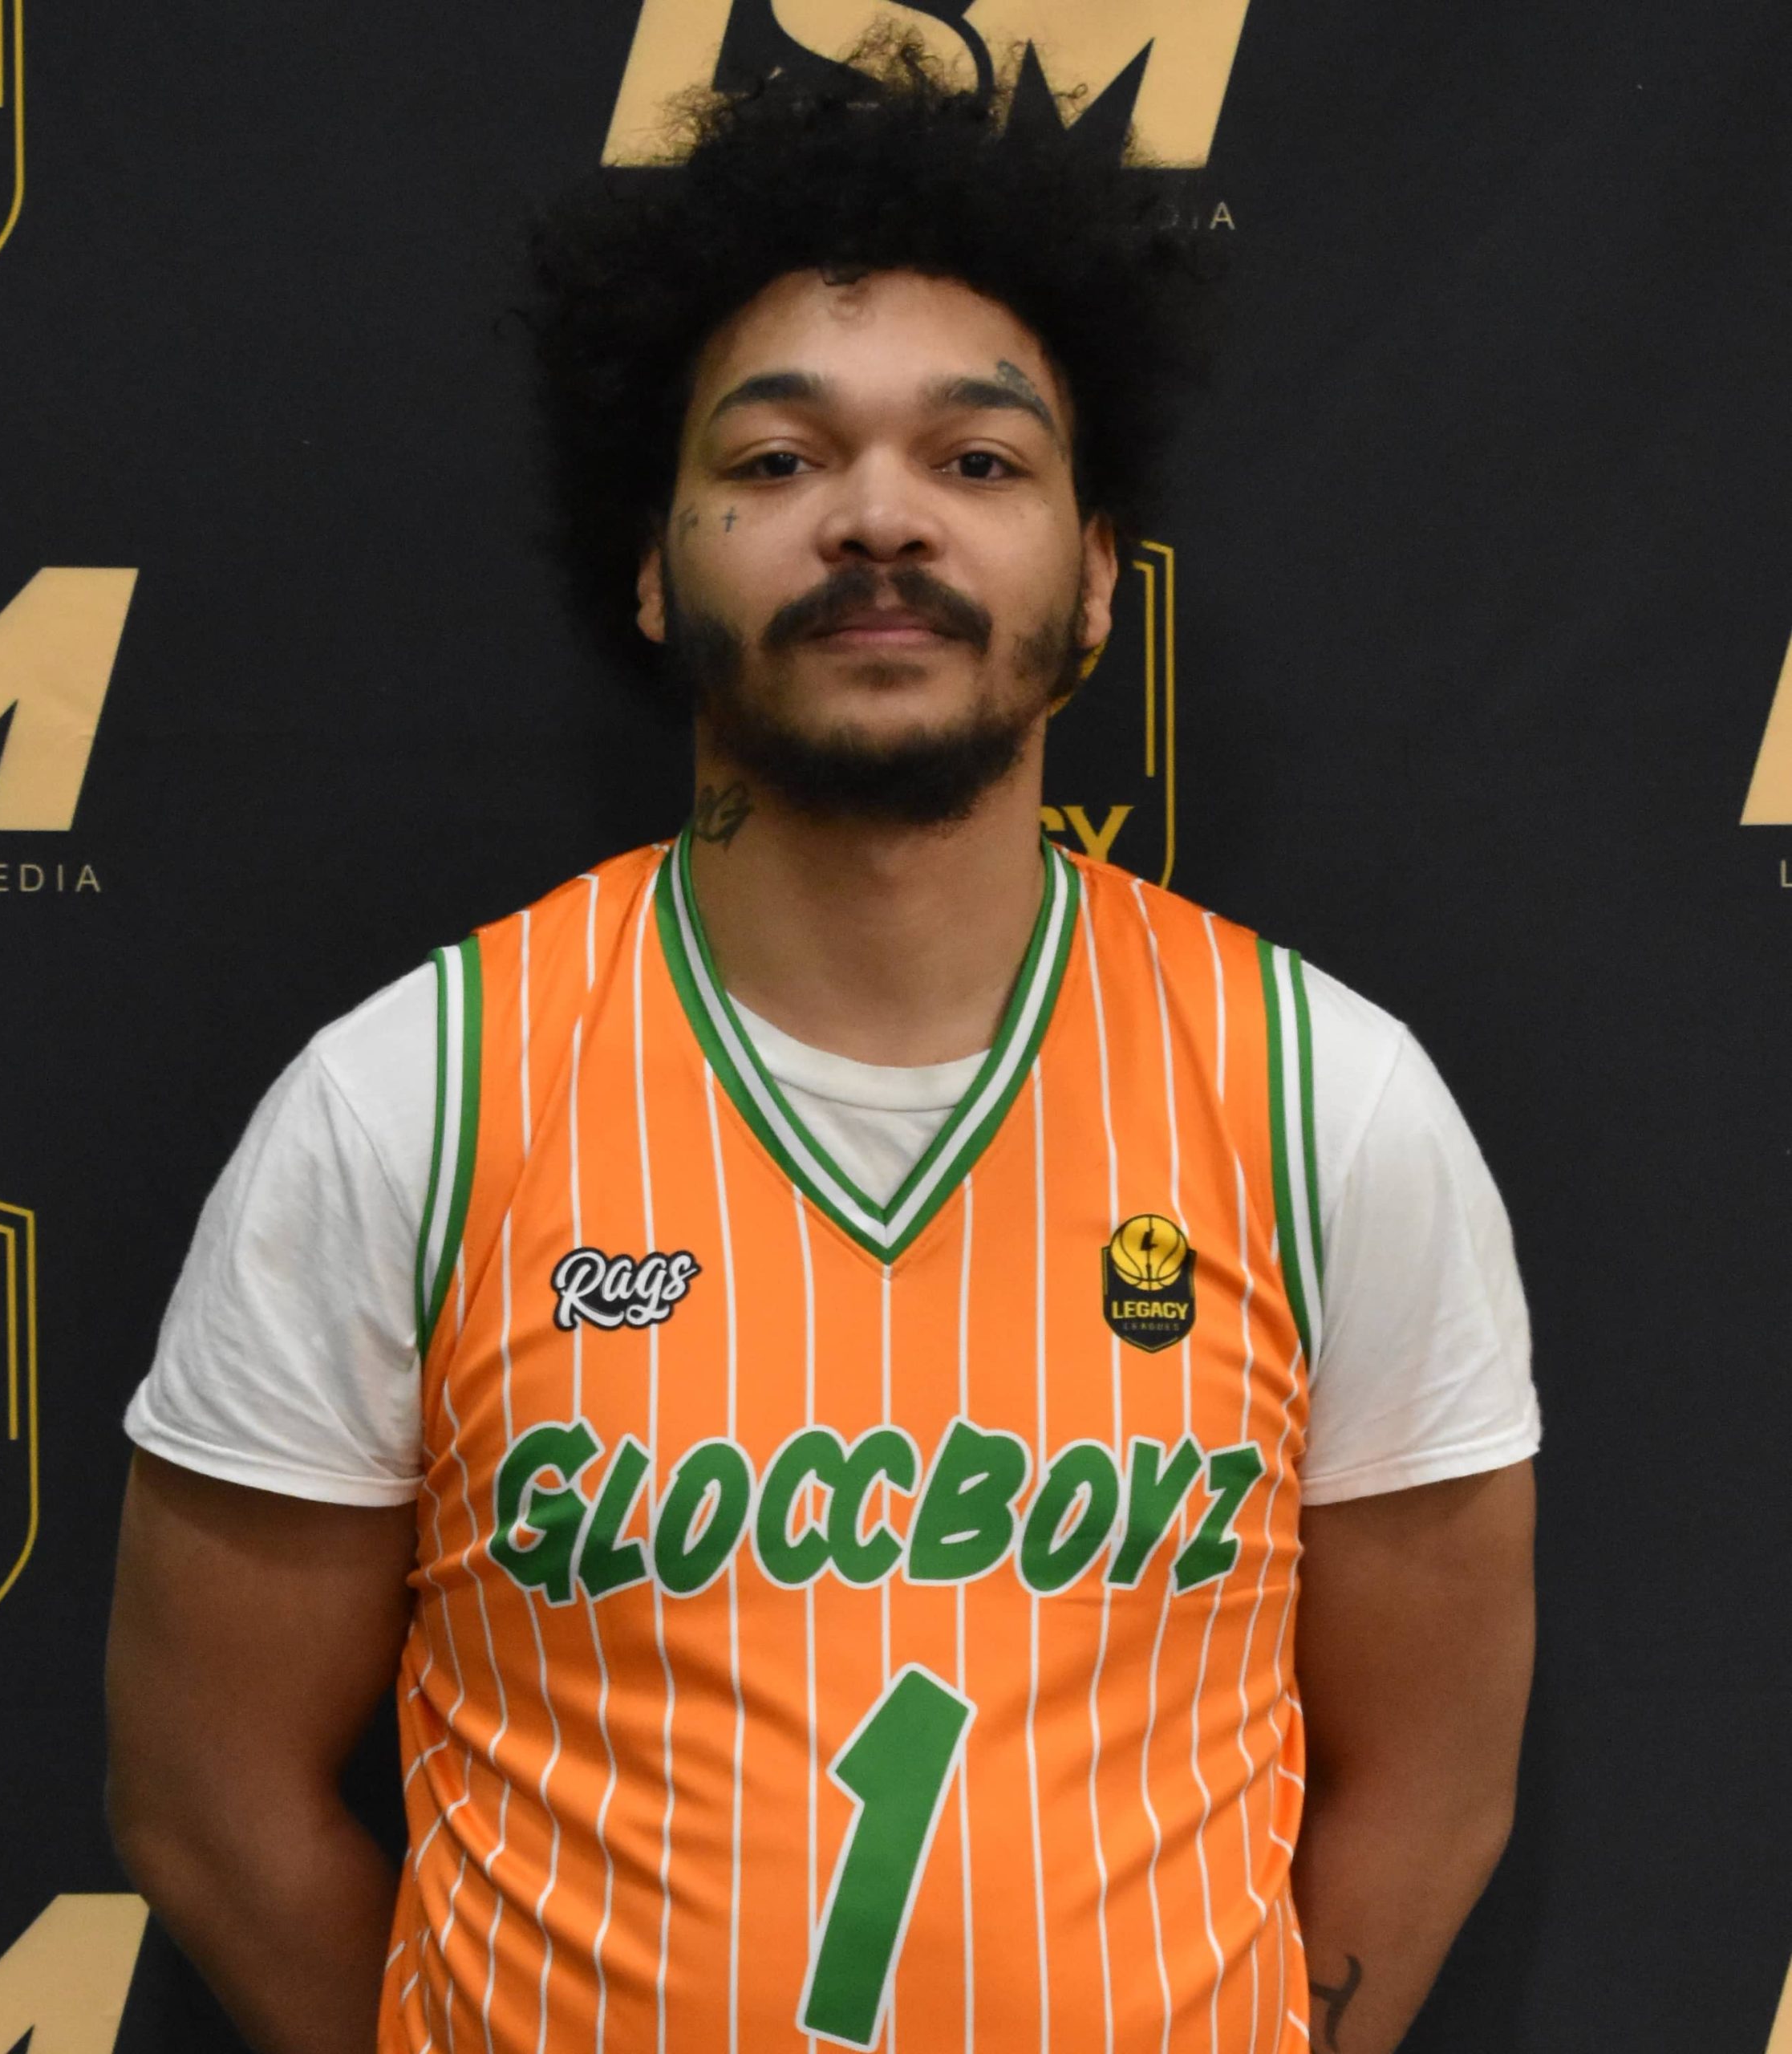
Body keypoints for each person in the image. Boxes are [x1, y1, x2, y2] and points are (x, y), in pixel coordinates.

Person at [105, 47, 1539, 2054]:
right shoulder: (410, 1096)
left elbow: (1432, 1780)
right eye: (778, 461)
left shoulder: (1329, 1102)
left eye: (980, 461)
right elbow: (210, 1796)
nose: (878, 517)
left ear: (1097, 576)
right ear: (651, 558)